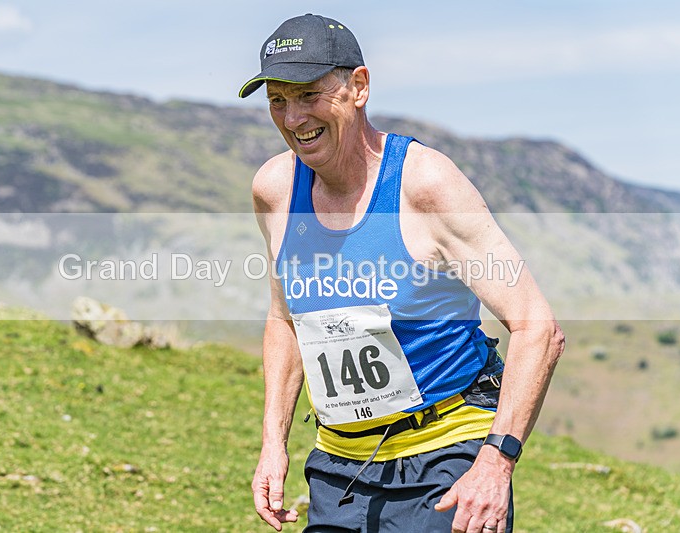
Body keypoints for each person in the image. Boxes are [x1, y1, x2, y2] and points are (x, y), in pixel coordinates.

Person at [239, 14, 564, 533]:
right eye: (278, 99)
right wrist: (272, 443)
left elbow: (537, 327)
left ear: (358, 87)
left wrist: (495, 463)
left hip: (445, 459)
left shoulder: (424, 184)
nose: (293, 118)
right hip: (337, 469)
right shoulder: (275, 190)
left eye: (308, 95)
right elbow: (285, 320)